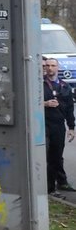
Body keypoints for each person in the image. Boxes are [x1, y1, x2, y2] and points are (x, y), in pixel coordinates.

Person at [42, 57, 75, 194]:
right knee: (47, 154)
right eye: (47, 65)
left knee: (56, 155)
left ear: (58, 68)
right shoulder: (39, 84)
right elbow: (30, 103)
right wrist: (45, 104)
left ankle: (60, 182)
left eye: (53, 65)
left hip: (58, 125)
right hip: (44, 124)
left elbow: (69, 109)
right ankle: (50, 189)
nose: (50, 68)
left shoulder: (65, 86)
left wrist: (71, 128)